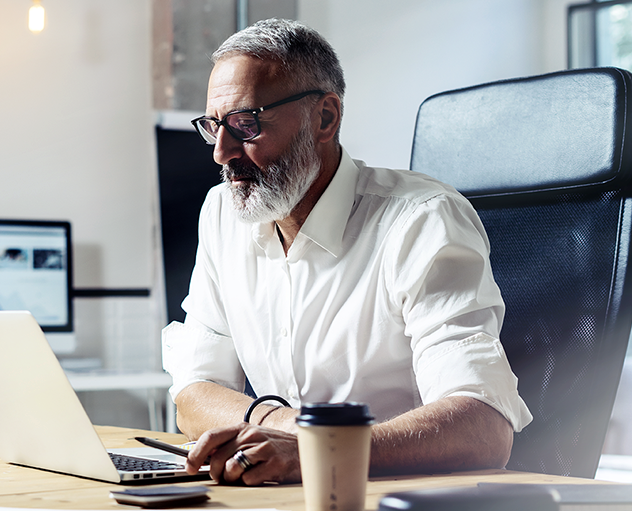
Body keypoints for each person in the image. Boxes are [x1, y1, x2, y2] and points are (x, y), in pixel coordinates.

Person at [161, 18, 532, 486]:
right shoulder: (222, 213)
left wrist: (320, 451)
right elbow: (194, 392)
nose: (221, 152)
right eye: (214, 126)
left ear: (325, 118)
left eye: (245, 124)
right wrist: (284, 428)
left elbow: (485, 429)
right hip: (282, 493)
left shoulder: (421, 219)